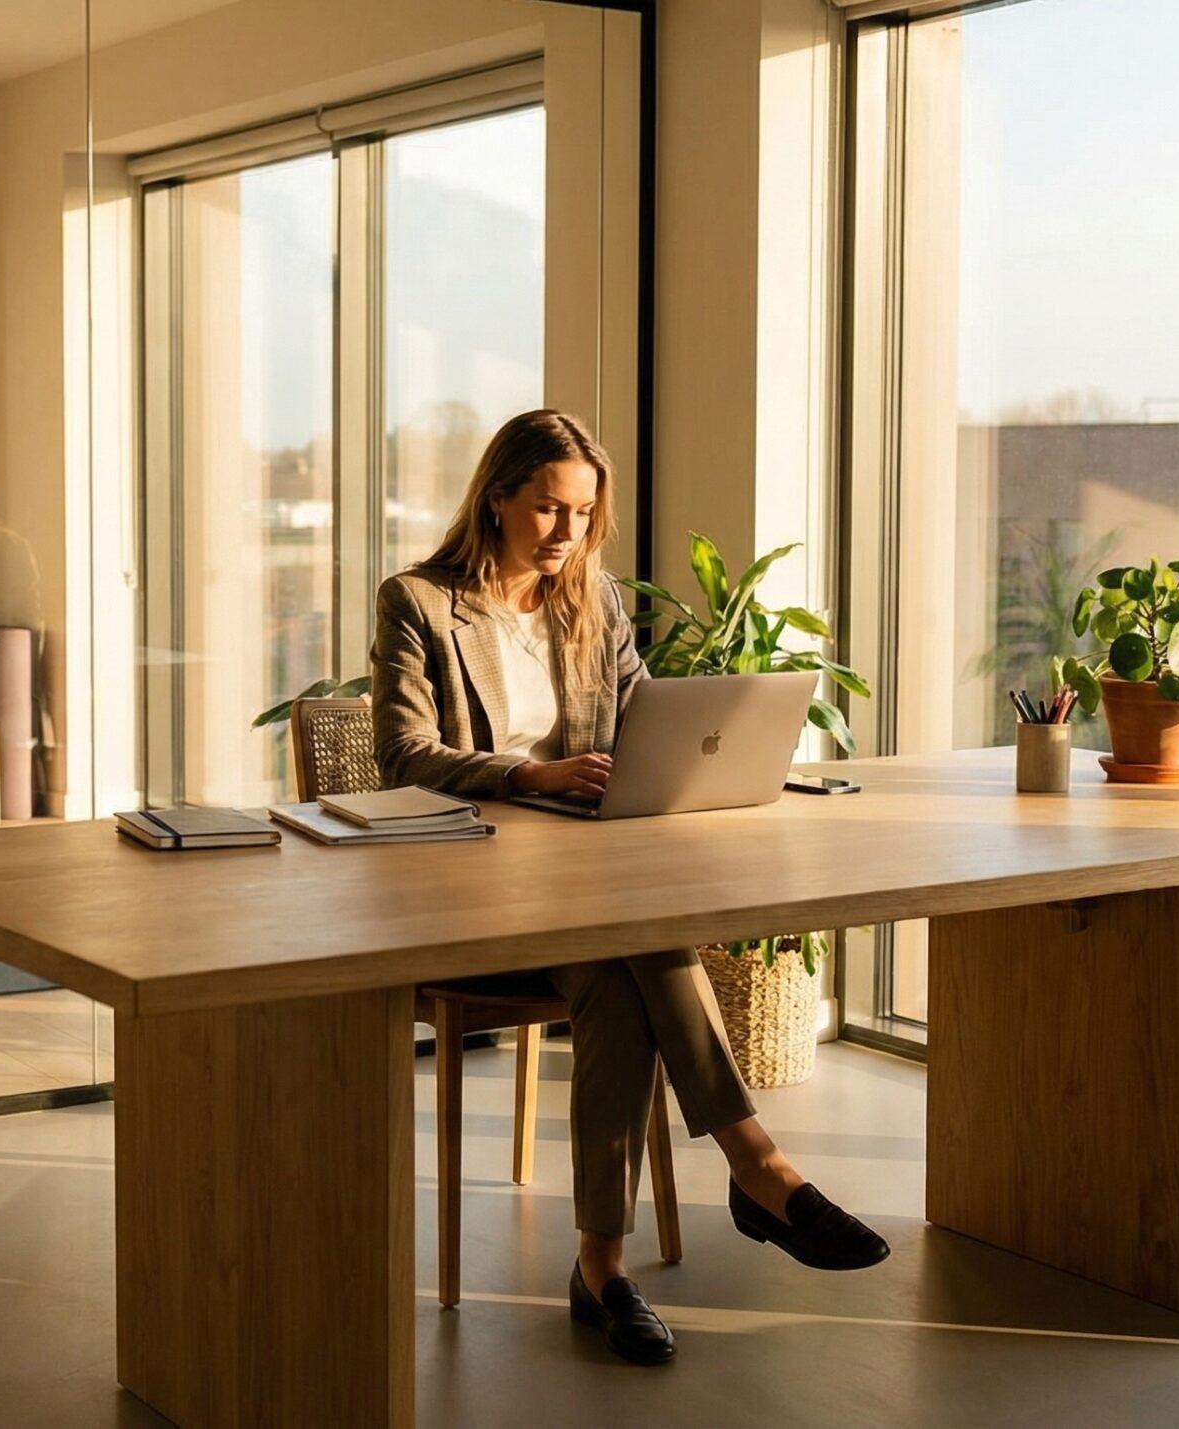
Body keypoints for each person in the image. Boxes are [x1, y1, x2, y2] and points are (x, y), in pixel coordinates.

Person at [369, 409, 888, 1367]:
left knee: (619, 967)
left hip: (583, 882)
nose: (567, 533)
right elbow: (403, 754)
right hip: (467, 886)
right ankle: (757, 1165)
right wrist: (529, 776)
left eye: (583, 513)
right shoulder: (420, 602)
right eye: (547, 509)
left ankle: (602, 1265)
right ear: (496, 499)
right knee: (641, 939)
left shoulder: (592, 602)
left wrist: (707, 751)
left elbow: (646, 710)